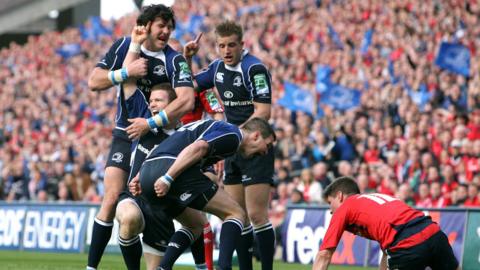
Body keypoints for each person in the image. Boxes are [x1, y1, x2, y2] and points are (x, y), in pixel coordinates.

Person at [86, 4, 195, 269]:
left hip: (159, 137)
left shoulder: (174, 59)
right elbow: (93, 81)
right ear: (145, 26)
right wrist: (125, 73)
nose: (166, 31)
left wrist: (151, 122)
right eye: (161, 25)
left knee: (169, 208)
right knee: (111, 198)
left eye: (170, 27)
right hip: (126, 132)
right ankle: (91, 267)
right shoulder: (123, 45)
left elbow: (187, 100)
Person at [184, 20, 275, 270]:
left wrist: (237, 135)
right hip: (232, 147)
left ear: (242, 45)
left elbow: (263, 112)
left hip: (255, 146)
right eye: (222, 45)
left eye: (231, 45)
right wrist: (187, 58)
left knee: (257, 215)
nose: (227, 50)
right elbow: (189, 87)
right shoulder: (216, 68)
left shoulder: (254, 68)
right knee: (238, 215)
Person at [129, 117, 276, 270]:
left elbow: (167, 144)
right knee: (236, 213)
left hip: (148, 171)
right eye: (268, 145)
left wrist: (140, 176)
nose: (266, 152)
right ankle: (224, 267)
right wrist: (168, 177)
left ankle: (163, 268)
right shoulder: (234, 135)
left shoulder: (207, 126)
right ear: (256, 135)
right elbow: (198, 148)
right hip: (170, 171)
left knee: (195, 225)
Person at [313, 177, 459, 270]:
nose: (331, 211)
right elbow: (386, 251)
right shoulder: (374, 200)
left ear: (340, 196)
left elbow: (324, 255)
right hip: (433, 233)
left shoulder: (345, 207)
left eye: (330, 203)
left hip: (407, 243)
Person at [169, 38, 224, 270]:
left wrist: (219, 152)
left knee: (200, 219)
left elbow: (218, 116)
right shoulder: (157, 86)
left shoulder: (201, 87)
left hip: (197, 155)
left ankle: (204, 267)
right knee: (194, 222)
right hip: (169, 156)